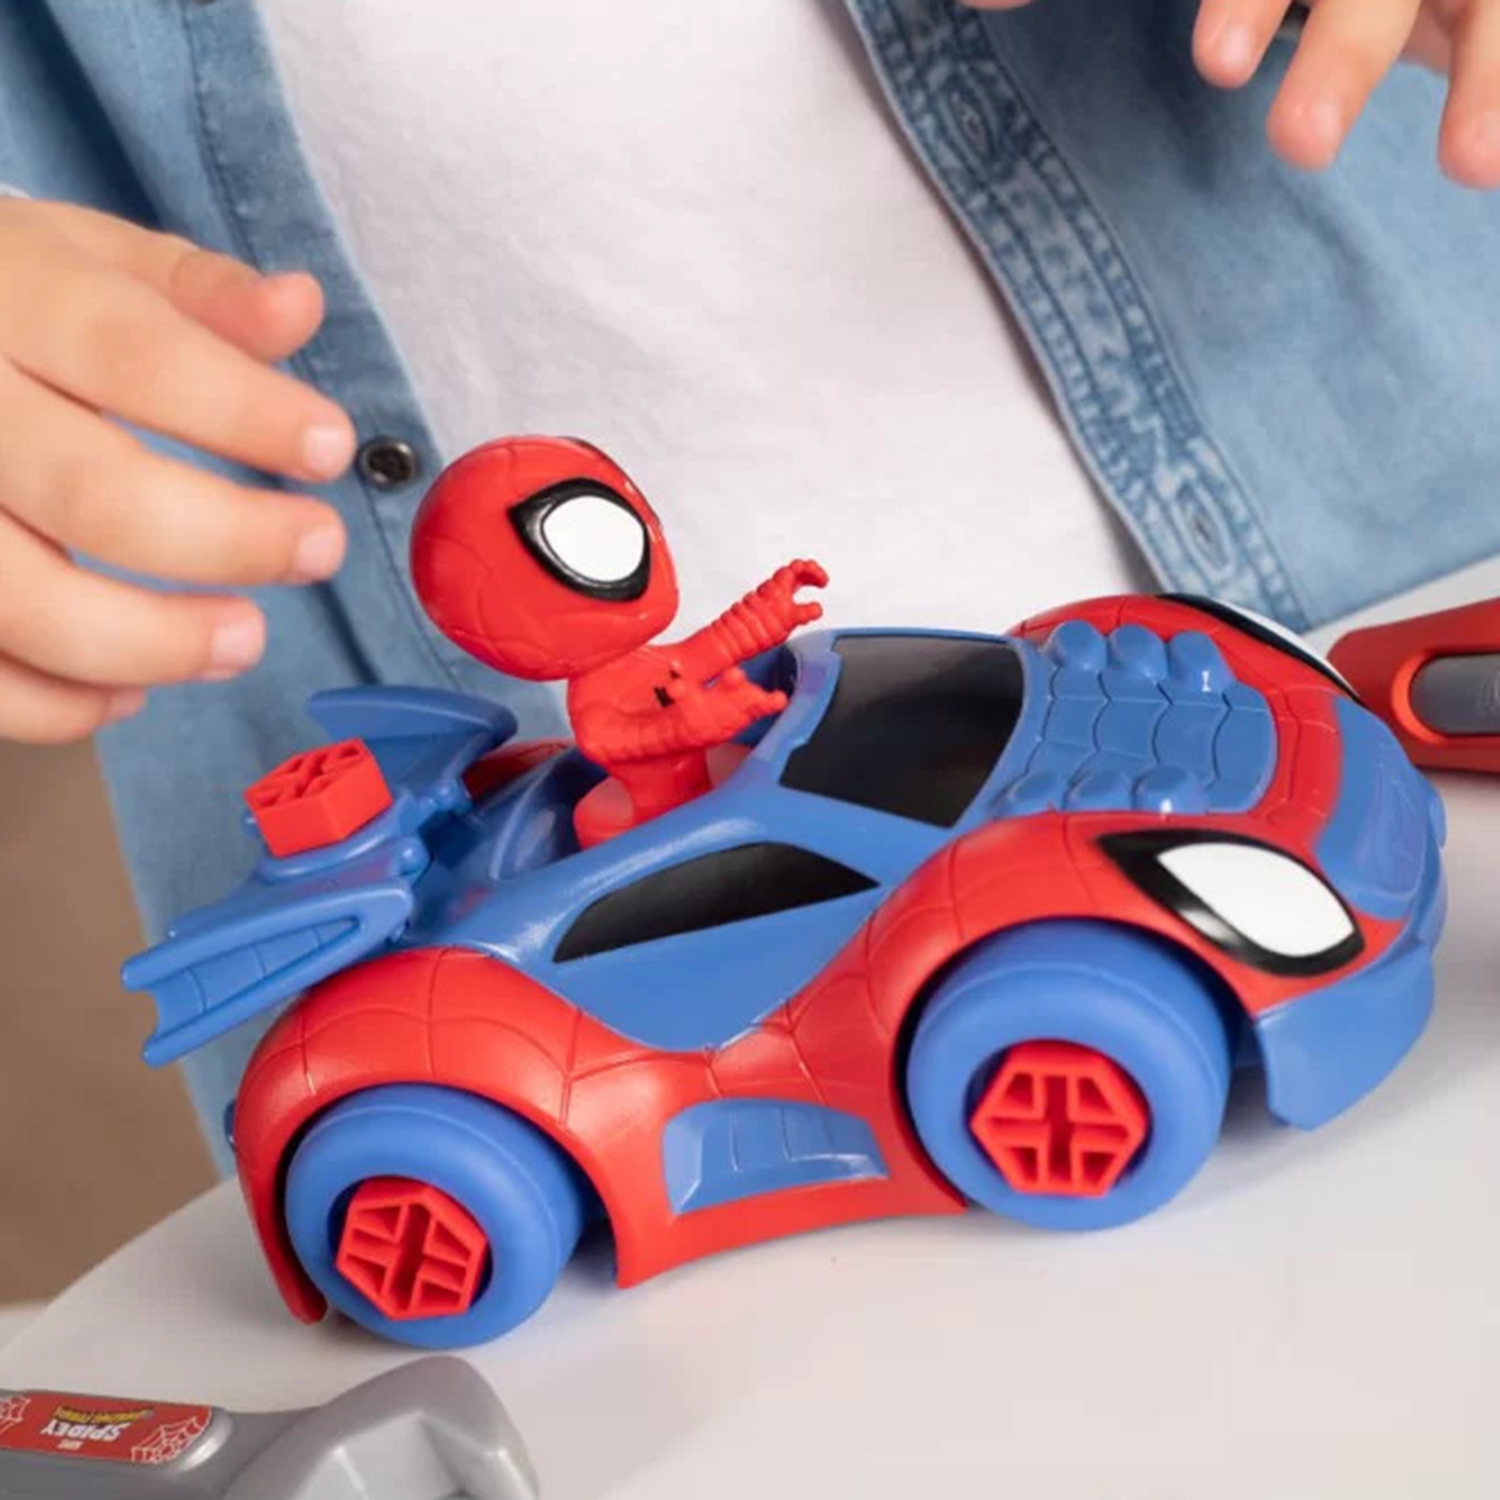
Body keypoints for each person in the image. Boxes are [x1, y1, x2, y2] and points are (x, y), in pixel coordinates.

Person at [1, 0, 1497, 1169]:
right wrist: (758, 644)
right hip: (710, 977)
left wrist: (771, 626)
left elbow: (713, 680)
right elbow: (684, 704)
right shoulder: (616, 736)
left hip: (1391, 550)